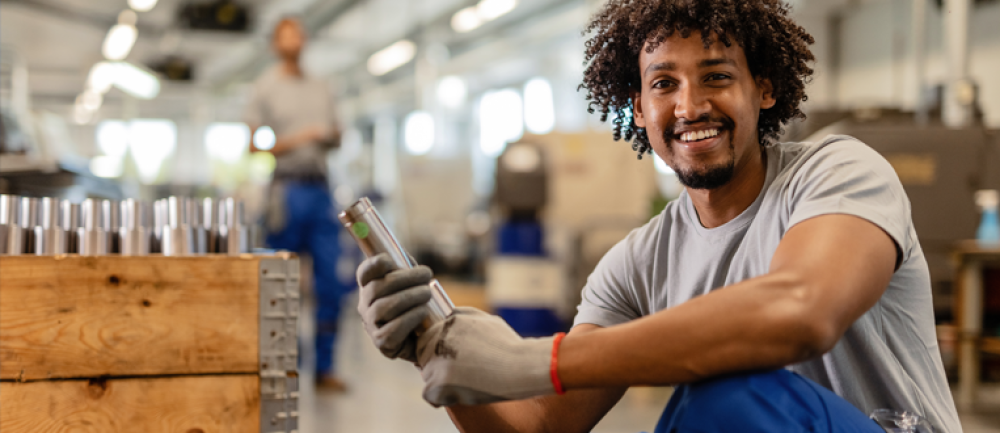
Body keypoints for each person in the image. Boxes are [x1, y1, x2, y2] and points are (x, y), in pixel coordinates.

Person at [355, 0, 962, 431]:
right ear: (639, 110)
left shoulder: (839, 171)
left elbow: (800, 312)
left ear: (765, 89)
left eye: (717, 77)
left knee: (729, 390)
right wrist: (438, 352)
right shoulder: (641, 261)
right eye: (663, 84)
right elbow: (541, 425)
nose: (690, 106)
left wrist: (533, 360)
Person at [245, 17, 349, 391]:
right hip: (286, 193)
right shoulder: (265, 87)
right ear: (275, 43)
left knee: (329, 284)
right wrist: (299, 138)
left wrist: (330, 136)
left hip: (321, 191)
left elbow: (338, 135)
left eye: (298, 33)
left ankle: (325, 368)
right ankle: (283, 365)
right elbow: (254, 145)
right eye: (285, 34)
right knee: (280, 284)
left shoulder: (322, 87)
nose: (294, 39)